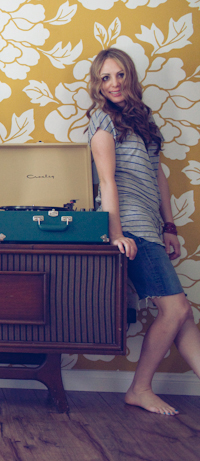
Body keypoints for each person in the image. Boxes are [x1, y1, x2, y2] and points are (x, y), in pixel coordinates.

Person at [87, 48, 200, 416]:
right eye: (106, 78)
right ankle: (139, 388)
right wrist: (117, 233)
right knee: (175, 309)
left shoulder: (143, 120)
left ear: (130, 76)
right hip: (132, 227)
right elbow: (107, 181)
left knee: (182, 314)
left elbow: (157, 175)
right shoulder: (102, 121)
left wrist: (170, 226)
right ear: (98, 85)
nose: (114, 83)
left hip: (151, 225)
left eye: (120, 75)